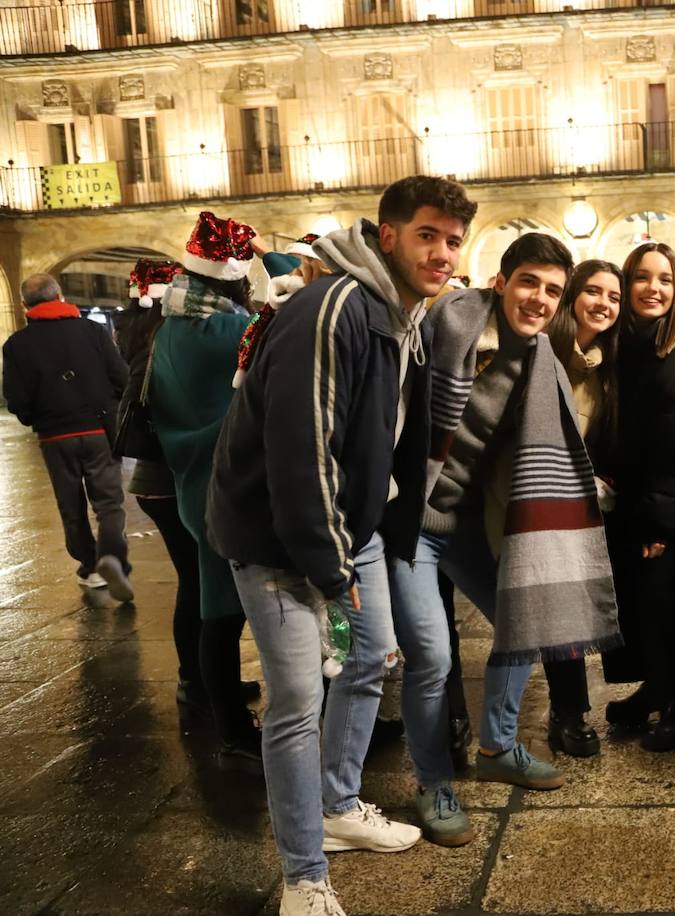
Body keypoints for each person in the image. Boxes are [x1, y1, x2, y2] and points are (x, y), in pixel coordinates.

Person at [207, 176, 478, 916]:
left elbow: (390, 437)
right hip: (277, 535)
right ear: (386, 234)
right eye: (427, 235)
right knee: (295, 700)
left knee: (370, 658)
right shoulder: (335, 310)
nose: (443, 253)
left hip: (343, 527)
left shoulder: (400, 313)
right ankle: (303, 876)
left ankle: (337, 804)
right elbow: (304, 449)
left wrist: (380, 534)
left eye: (453, 240)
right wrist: (329, 567)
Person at [392, 233, 622, 815]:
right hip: (408, 515)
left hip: (463, 518)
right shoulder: (449, 322)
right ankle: (433, 782)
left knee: (527, 617)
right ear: (500, 281)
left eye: (551, 290)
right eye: (528, 282)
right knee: (433, 656)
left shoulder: (540, 356)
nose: (539, 299)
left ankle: (496, 746)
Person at [150, 212, 262, 772]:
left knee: (215, 606)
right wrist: (282, 258)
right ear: (232, 278)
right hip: (222, 487)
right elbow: (284, 324)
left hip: (195, 481)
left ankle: (225, 714)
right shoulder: (223, 332)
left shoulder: (175, 325)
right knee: (222, 612)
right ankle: (235, 732)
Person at [599, 242, 675, 751]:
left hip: (656, 505)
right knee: (638, 601)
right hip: (631, 498)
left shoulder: (672, 353)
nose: (653, 288)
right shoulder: (630, 343)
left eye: (665, 279)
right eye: (643, 277)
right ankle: (656, 686)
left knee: (660, 599)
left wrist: (662, 524)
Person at [115, 259, 217, 720]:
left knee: (193, 580)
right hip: (166, 477)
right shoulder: (165, 334)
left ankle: (200, 678)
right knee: (197, 582)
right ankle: (197, 681)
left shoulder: (135, 328)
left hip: (152, 479)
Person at [3, 273, 132, 600]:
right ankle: (112, 556)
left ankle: (89, 566)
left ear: (24, 304)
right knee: (109, 502)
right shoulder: (93, 331)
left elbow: (16, 399)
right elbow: (121, 376)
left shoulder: (16, 345)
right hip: (97, 429)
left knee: (70, 503)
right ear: (59, 295)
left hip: (54, 435)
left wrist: (36, 417)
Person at [541, 260, 626, 757]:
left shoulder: (604, 363)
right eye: (593, 292)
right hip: (535, 496)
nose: (603, 304)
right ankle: (566, 711)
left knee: (568, 607)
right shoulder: (545, 352)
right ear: (572, 296)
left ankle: (568, 709)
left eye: (613, 297)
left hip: (579, 502)